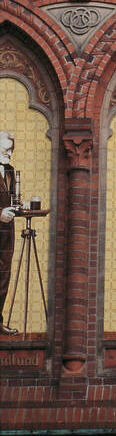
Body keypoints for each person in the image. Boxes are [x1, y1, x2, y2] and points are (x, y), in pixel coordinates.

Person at [0, 131, 18, 334]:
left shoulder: (10, 171)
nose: (10, 154)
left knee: (3, 277)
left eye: (11, 150)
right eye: (6, 150)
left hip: (6, 234)